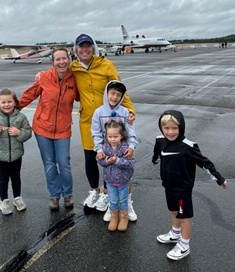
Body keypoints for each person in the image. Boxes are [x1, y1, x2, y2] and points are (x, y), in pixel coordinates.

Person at [69, 33, 137, 221]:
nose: (84, 50)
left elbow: (121, 89)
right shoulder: (73, 67)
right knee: (90, 156)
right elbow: (58, 76)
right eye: (81, 47)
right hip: (88, 119)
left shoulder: (106, 65)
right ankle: (94, 191)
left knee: (111, 156)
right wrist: (41, 75)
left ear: (93, 48)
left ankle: (108, 193)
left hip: (109, 119)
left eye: (88, 46)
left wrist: (129, 109)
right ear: (76, 50)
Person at [152, 110, 228, 261]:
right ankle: (175, 234)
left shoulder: (188, 146)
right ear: (161, 128)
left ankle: (184, 245)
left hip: (183, 190)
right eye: (166, 128)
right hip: (168, 186)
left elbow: (205, 163)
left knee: (184, 216)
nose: (171, 132)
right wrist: (155, 159)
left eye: (175, 128)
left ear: (181, 127)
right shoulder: (160, 140)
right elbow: (157, 152)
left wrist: (219, 179)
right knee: (173, 211)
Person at [19, 48, 79, 211]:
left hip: (63, 129)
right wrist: (10, 111)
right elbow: (29, 95)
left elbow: (85, 96)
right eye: (58, 59)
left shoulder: (74, 80)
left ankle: (68, 194)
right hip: (42, 128)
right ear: (53, 62)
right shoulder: (44, 77)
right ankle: (54, 195)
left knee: (63, 162)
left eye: (64, 59)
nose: (61, 62)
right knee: (50, 164)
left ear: (69, 60)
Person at [91, 80, 138, 221]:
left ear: (122, 97)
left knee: (125, 176)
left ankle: (126, 204)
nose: (114, 97)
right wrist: (99, 149)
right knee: (110, 179)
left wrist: (131, 147)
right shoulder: (98, 112)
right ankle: (112, 208)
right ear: (106, 93)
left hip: (122, 151)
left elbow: (130, 132)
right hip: (107, 150)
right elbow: (96, 133)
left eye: (118, 94)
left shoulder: (124, 112)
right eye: (112, 93)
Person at [0, 88, 32, 215]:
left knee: (16, 177)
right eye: (3, 102)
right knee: (3, 178)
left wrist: (19, 133)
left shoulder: (21, 117)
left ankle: (17, 198)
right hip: (0, 156)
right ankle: (3, 201)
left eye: (9, 101)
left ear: (15, 102)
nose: (6, 105)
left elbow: (28, 132)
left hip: (16, 155)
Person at [96, 120, 135, 232]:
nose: (112, 139)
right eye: (110, 136)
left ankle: (123, 218)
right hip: (109, 180)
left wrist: (117, 160)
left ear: (121, 136)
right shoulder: (105, 148)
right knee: (112, 200)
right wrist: (106, 159)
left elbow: (130, 163)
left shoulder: (125, 148)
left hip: (123, 180)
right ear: (106, 136)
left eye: (115, 136)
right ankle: (114, 218)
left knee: (123, 200)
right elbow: (100, 160)